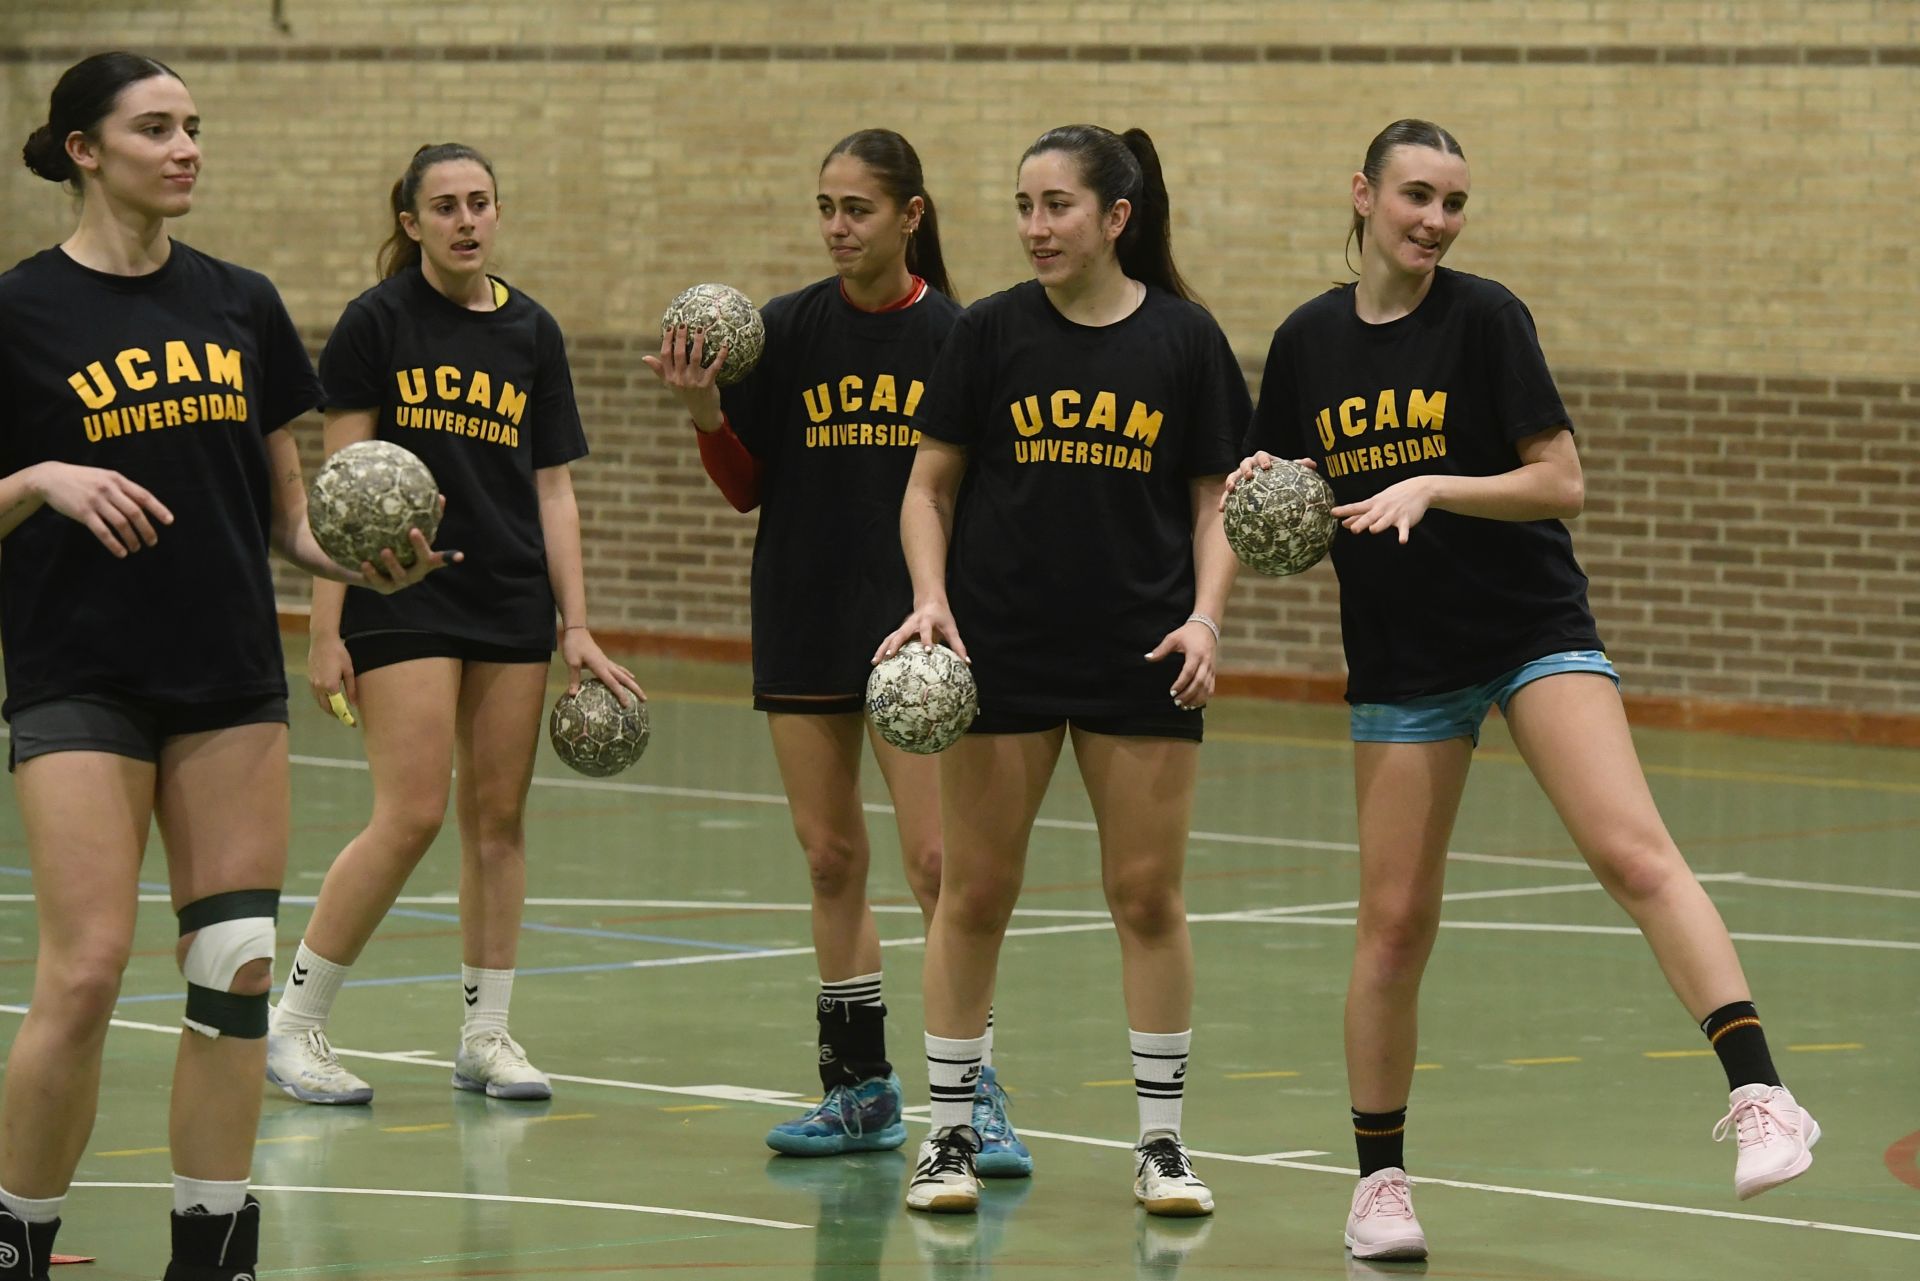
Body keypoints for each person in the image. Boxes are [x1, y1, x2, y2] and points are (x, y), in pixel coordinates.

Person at [1234, 118, 1818, 1262]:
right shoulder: (1308, 341)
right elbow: (1291, 496)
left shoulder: (1487, 318)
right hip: (1403, 659)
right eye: (1416, 196)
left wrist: (1435, 487)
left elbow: (1562, 480)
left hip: (1524, 631)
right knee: (1394, 927)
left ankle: (1762, 1095)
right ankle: (1380, 1186)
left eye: (1454, 202)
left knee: (1629, 850)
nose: (1436, 222)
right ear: (1362, 194)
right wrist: (1266, 497)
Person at [0, 52, 447, 1281]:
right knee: (86, 973)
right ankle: (16, 1243)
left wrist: (363, 566)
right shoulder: (21, 311)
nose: (185, 146)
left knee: (230, 977)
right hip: (78, 676)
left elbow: (289, 516)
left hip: (227, 681)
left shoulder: (241, 304)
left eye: (194, 125)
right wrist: (38, 479)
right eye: (155, 128)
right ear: (84, 150)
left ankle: (213, 1251)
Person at [642, 129, 1033, 1174]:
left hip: (915, 629)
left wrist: (951, 604)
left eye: (856, 208)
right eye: (824, 207)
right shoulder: (784, 332)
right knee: (829, 859)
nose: (836, 228)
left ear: (910, 217)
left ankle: (974, 1086)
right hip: (805, 612)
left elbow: (976, 498)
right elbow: (745, 486)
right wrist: (702, 413)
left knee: (938, 864)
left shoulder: (961, 336)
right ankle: (858, 1087)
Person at [877, 123, 1247, 1217]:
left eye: (1058, 207)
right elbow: (927, 488)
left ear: (1115, 218)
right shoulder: (989, 333)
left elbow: (1214, 499)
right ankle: (945, 1136)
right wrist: (931, 598)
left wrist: (1207, 619)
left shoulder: (1184, 340)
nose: (1035, 227)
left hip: (1141, 654)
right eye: (1025, 205)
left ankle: (1164, 1147)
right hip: (1001, 654)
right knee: (974, 893)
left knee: (1145, 896)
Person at [264, 143, 642, 1106]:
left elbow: (552, 488)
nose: (466, 220)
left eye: (480, 203)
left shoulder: (533, 332)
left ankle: (485, 1035)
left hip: (510, 596)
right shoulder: (375, 323)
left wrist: (577, 625)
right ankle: (294, 1024)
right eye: (445, 207)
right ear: (412, 223)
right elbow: (339, 496)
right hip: (402, 593)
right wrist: (324, 629)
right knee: (414, 811)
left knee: (498, 818)